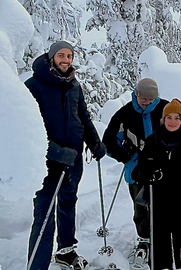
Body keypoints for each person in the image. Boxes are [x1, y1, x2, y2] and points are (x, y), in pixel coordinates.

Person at [25, 41, 107, 270]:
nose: (65, 60)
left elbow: (83, 116)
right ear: (52, 57)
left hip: (73, 161)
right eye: (61, 55)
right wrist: (58, 153)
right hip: (47, 163)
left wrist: (94, 143)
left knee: (68, 203)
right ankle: (37, 265)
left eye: (69, 56)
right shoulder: (34, 86)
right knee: (44, 212)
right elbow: (27, 129)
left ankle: (66, 252)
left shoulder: (73, 86)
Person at [134, 99, 181, 270]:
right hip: (159, 200)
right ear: (163, 118)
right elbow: (138, 171)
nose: (172, 121)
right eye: (169, 117)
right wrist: (147, 173)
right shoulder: (153, 141)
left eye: (177, 118)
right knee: (160, 241)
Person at [102, 78, 168, 268]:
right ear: (136, 94)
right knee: (141, 208)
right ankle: (144, 241)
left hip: (161, 169)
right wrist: (127, 157)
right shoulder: (125, 114)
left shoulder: (165, 109)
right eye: (144, 98)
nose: (147, 102)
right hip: (136, 169)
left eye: (151, 99)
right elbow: (109, 140)